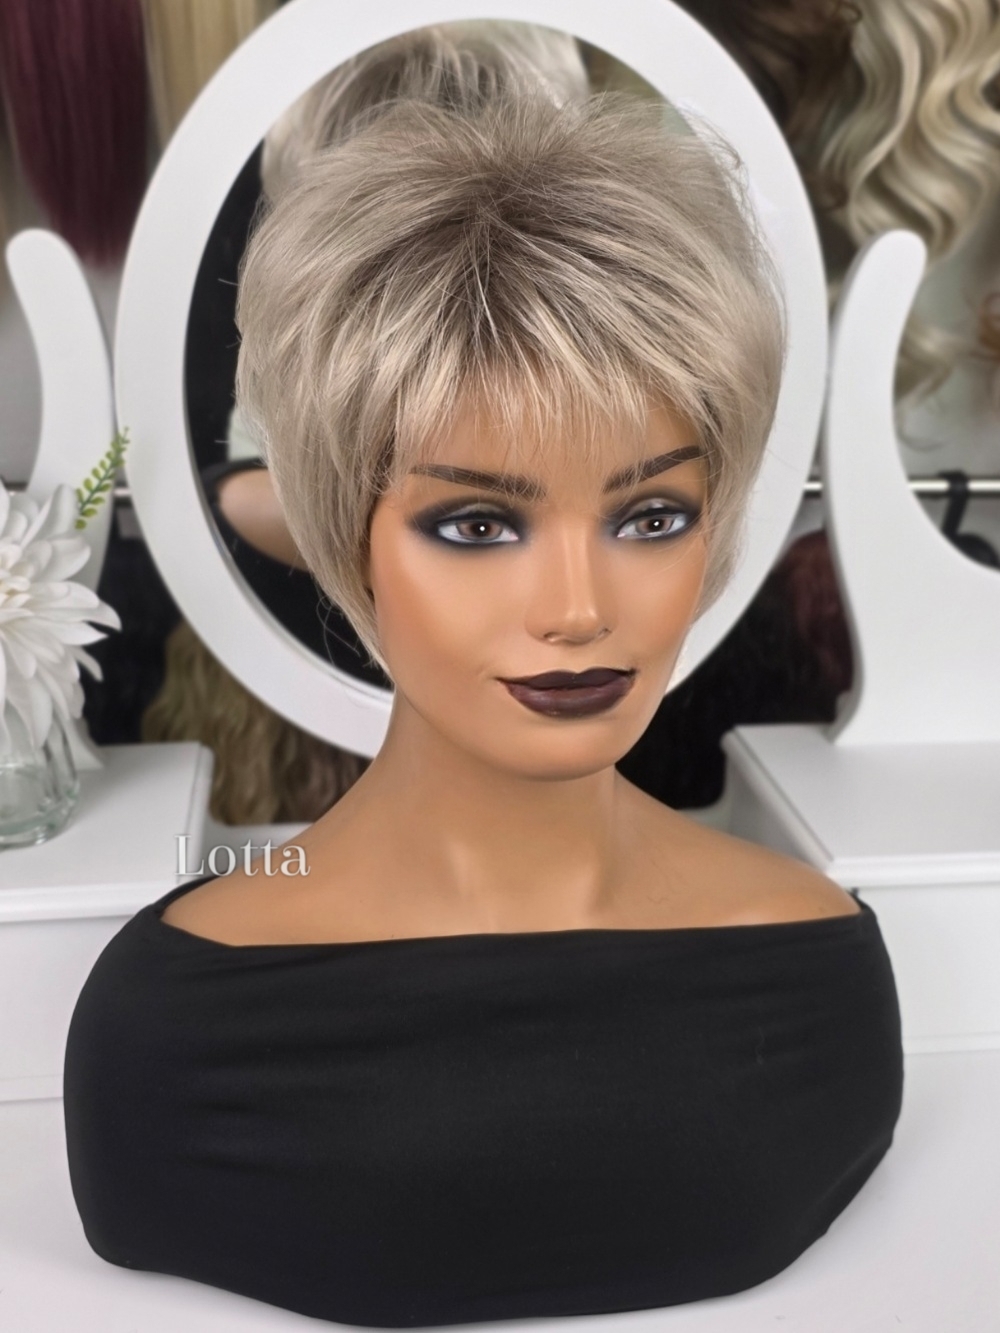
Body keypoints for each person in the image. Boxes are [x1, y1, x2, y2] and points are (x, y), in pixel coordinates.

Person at [62, 31, 903, 1329]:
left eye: (651, 516)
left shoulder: (817, 983)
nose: (577, 608)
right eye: (477, 524)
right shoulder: (172, 1045)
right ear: (347, 536)